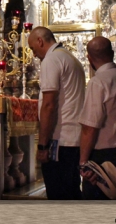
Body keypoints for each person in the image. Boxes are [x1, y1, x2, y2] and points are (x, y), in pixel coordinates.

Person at [27, 26, 86, 200]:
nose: (34, 54)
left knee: (59, 195)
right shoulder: (70, 58)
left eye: (33, 48)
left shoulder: (51, 60)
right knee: (71, 191)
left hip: (60, 142)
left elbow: (49, 105)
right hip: (74, 139)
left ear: (40, 41)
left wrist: (43, 145)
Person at [78, 36, 116, 200]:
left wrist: (83, 163)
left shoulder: (98, 83)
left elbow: (90, 127)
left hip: (104, 159)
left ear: (89, 58)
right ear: (112, 54)